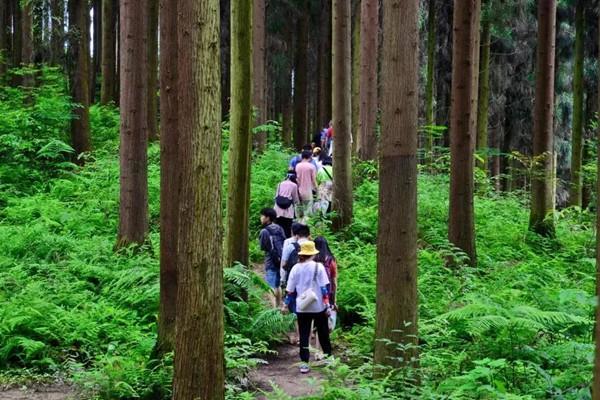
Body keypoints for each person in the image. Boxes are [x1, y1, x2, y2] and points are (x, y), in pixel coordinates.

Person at [284, 241, 332, 373]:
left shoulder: (295, 268)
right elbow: (324, 289)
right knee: (323, 333)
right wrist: (327, 305)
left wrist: (285, 304)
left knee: (304, 335)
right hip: (318, 307)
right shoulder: (319, 267)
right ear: (313, 254)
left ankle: (304, 363)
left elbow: (290, 290)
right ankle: (328, 357)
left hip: (302, 307)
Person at [259, 208, 287, 308]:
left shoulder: (264, 231)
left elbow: (262, 247)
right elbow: (284, 241)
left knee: (270, 287)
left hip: (270, 261)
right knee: (277, 284)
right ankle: (279, 306)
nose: (261, 218)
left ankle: (273, 310)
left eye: (262, 216)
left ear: (268, 218)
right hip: (281, 259)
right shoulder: (279, 228)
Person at [314, 236, 338, 307]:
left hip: (313, 292)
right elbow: (334, 282)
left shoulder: (311, 259)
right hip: (327, 293)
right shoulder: (331, 261)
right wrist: (334, 300)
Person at [274, 173, 300, 238]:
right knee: (287, 227)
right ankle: (286, 240)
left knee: (278, 225)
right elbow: (295, 198)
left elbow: (276, 196)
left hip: (278, 209)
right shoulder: (294, 185)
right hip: (288, 211)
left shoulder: (280, 184)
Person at [295, 150, 318, 220]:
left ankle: (298, 226)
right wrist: (317, 189)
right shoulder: (312, 166)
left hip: (298, 191)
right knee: (307, 212)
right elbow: (314, 180)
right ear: (310, 157)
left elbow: (297, 178)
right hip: (308, 191)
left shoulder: (297, 166)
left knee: (299, 212)